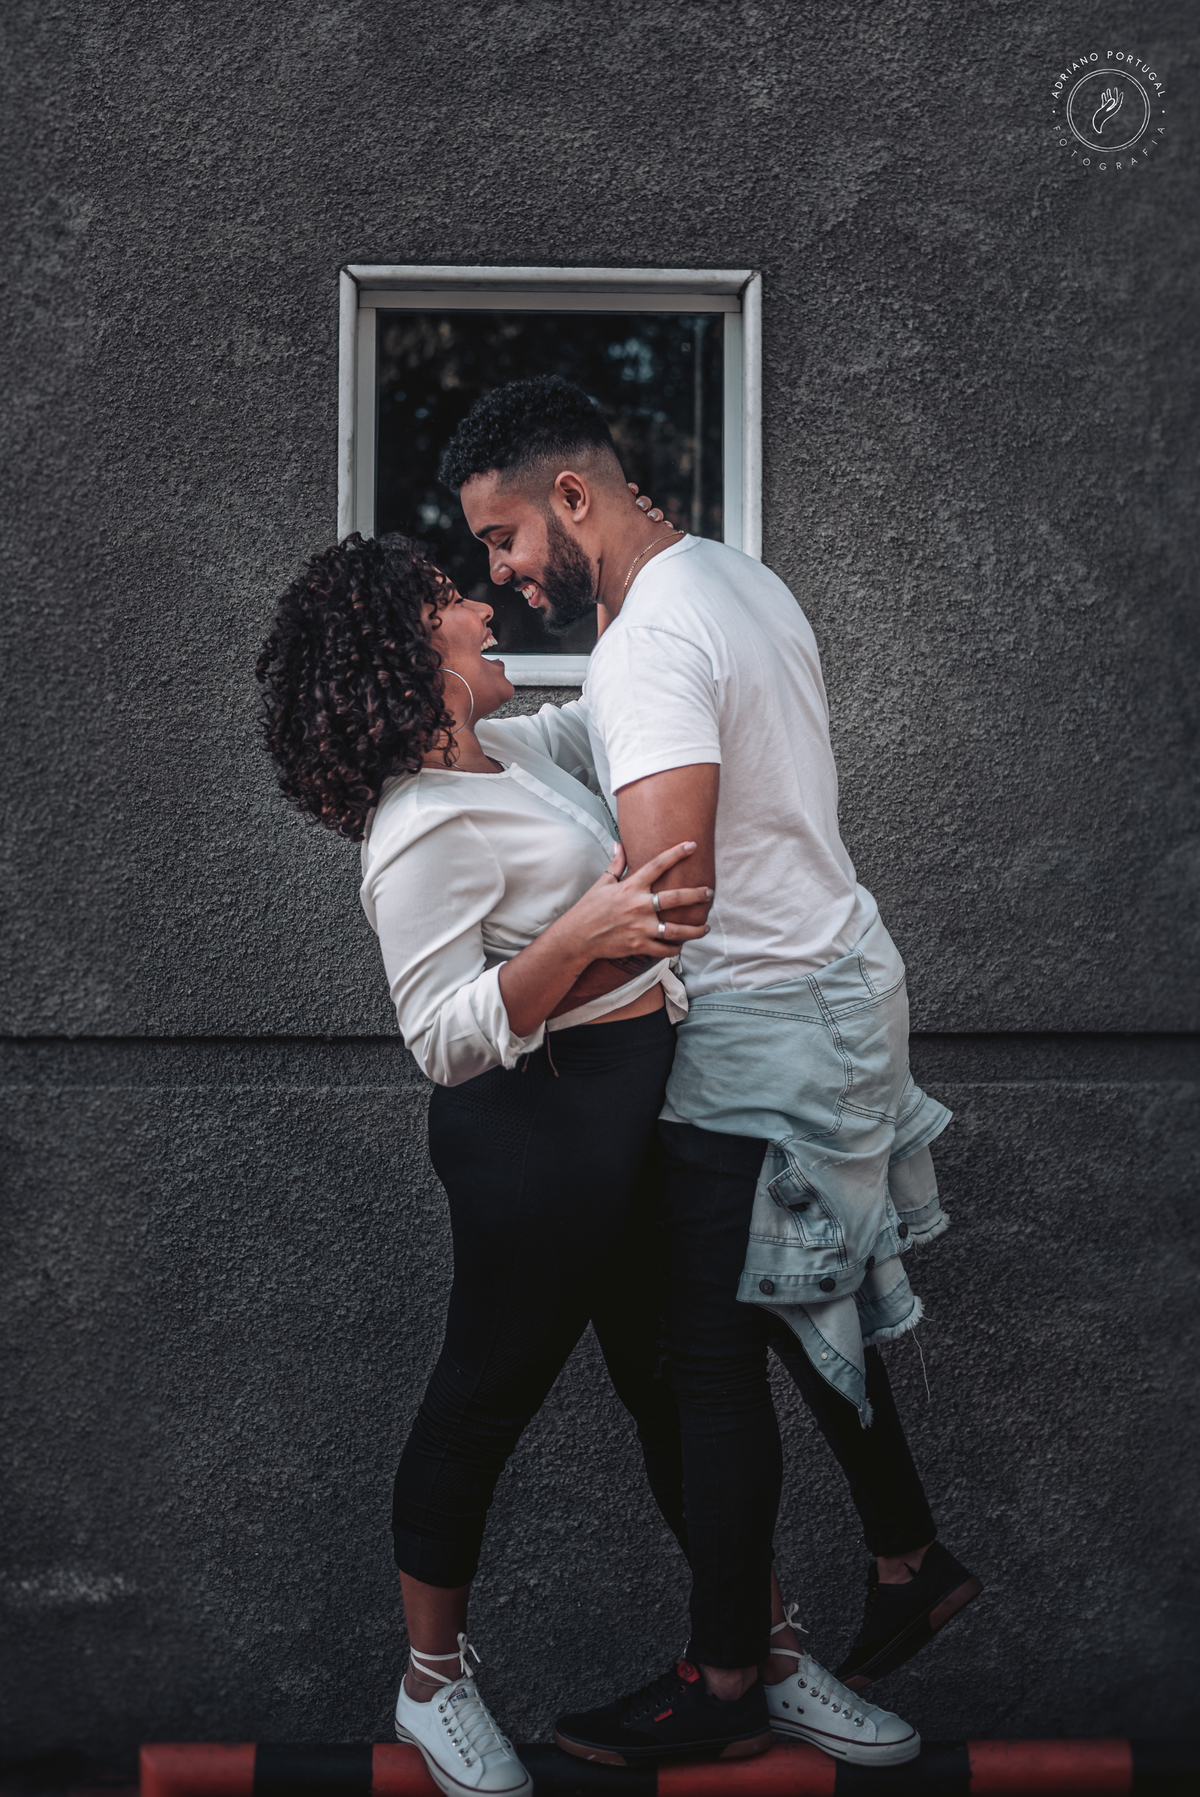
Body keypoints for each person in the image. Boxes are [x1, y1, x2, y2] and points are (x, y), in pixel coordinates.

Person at [439, 374, 983, 1770]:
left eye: (504, 539)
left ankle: (729, 1675)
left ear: (572, 497)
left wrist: (523, 991)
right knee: (807, 1299)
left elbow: (669, 894)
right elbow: (621, 740)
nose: (498, 574)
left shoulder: (650, 641)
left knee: (705, 1360)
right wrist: (462, 740)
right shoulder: (727, 578)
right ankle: (908, 1557)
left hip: (764, 1026)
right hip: (836, 984)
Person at [255, 529, 711, 1797]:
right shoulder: (418, 825)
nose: (481, 608)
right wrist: (583, 932)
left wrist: (636, 570)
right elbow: (441, 1039)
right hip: (531, 1145)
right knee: (481, 1400)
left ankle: (755, 1651)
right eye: (452, 600)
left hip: (626, 1119)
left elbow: (616, 707)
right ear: (416, 650)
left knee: (682, 1394)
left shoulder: (509, 752)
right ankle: (431, 1683)